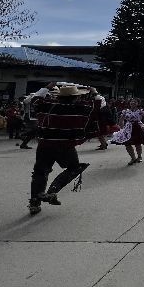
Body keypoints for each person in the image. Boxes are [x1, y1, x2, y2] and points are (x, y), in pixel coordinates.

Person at [27, 83, 96, 215]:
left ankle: (35, 202)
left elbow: (34, 99)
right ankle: (52, 191)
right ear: (75, 97)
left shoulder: (46, 105)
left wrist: (46, 87)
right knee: (74, 168)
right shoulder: (79, 108)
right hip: (65, 145)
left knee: (40, 172)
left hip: (45, 144)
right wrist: (94, 92)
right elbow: (98, 104)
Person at [110, 98, 144, 165]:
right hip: (128, 128)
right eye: (131, 101)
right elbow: (121, 119)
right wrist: (121, 128)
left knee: (137, 143)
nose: (133, 103)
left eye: (135, 102)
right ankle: (133, 158)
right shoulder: (126, 111)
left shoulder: (141, 111)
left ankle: (139, 157)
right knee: (127, 143)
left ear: (138, 103)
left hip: (138, 127)